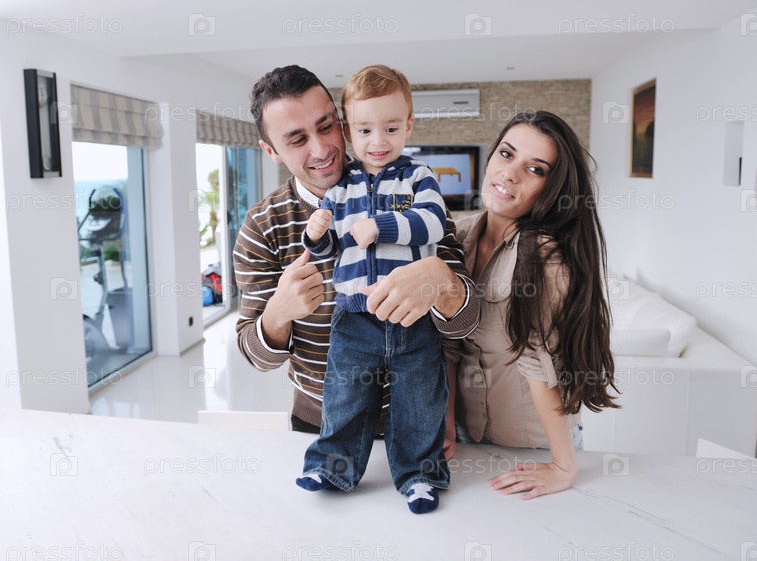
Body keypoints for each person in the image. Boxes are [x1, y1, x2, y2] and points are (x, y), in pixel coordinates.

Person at [233, 65, 477, 446]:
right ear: (271, 151)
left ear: (343, 124)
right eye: (297, 139)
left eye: (325, 126)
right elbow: (256, 357)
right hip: (322, 426)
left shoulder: (413, 191)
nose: (321, 150)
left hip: (413, 420)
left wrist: (441, 280)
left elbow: (465, 324)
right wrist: (278, 313)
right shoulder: (262, 226)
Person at [297, 65, 449, 513]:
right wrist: (315, 234)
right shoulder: (339, 188)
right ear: (349, 130)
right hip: (354, 316)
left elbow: (433, 222)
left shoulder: (419, 175)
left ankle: (420, 476)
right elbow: (331, 251)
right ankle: (332, 466)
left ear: (409, 126)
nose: (378, 141)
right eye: (364, 130)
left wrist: (381, 226)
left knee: (419, 400)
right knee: (344, 394)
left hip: (411, 315)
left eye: (391, 128)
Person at [451, 111, 619, 500]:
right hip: (465, 437)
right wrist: (444, 426)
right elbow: (448, 347)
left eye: (535, 169)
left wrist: (563, 467)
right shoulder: (456, 237)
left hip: (534, 448)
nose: (510, 174)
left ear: (552, 189)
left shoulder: (544, 257)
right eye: (506, 154)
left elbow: (539, 364)